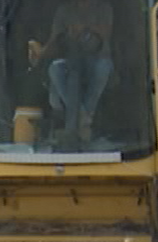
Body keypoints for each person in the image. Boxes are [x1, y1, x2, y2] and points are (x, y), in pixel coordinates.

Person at [28, 0, 114, 144]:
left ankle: (78, 120)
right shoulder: (63, 10)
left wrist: (85, 28)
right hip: (70, 59)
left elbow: (106, 33)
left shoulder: (104, 8)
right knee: (55, 68)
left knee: (103, 67)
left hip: (99, 57)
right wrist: (42, 52)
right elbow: (54, 40)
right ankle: (84, 118)